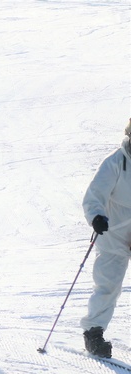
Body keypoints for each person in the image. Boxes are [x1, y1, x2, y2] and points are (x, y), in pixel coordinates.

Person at [80, 118, 131, 358]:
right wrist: (96, 217)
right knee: (108, 285)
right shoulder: (115, 162)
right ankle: (94, 332)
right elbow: (94, 195)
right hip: (114, 231)